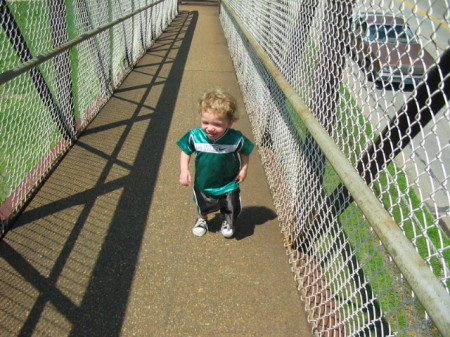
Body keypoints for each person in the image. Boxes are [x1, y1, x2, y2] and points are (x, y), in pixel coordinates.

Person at [177, 89, 254, 238]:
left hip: (229, 181)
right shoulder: (195, 136)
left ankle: (227, 220)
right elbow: (186, 150)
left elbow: (245, 152)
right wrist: (184, 169)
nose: (210, 128)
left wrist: (244, 169)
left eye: (217, 124)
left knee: (231, 204)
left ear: (230, 123)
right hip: (204, 181)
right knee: (203, 203)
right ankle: (202, 219)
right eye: (205, 122)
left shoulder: (236, 138)